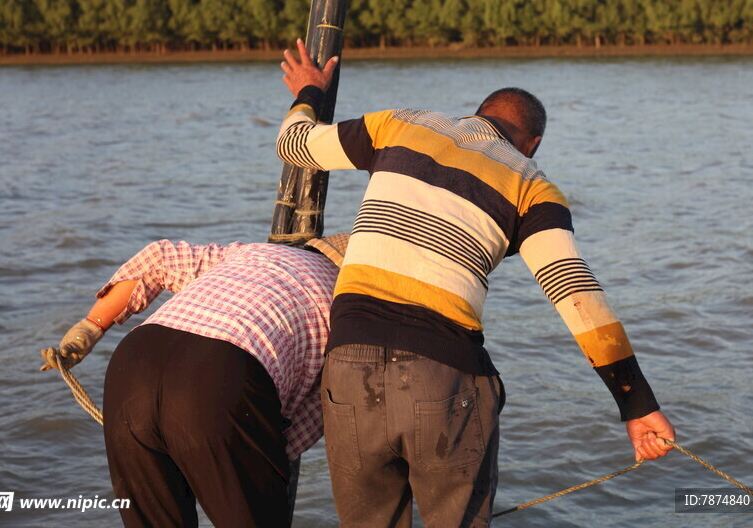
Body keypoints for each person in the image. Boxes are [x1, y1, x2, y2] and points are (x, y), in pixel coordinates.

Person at [276, 40, 676, 527]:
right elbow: (574, 292)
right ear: (531, 144)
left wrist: (310, 93)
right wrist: (635, 404)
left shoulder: (400, 124)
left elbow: (294, 145)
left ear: (477, 115)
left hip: (347, 368)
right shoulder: (531, 182)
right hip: (444, 376)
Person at [40, 234, 348, 528]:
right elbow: (329, 403)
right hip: (222, 374)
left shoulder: (251, 253)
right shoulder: (351, 300)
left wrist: (90, 327)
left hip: (134, 359)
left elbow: (158, 258)